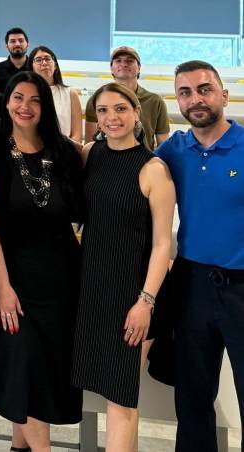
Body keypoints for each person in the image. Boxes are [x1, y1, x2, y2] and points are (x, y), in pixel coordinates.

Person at [0, 71, 84, 452]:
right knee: (25, 368)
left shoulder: (66, 153)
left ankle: (18, 447)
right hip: (12, 278)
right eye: (18, 98)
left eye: (35, 99)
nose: (26, 107)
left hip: (61, 282)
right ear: (6, 102)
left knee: (41, 376)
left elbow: (83, 215)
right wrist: (3, 288)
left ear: (46, 106)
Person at [72, 82, 175, 452]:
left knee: (120, 395)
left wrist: (145, 302)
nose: (111, 117)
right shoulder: (91, 154)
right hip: (97, 288)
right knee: (116, 395)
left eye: (120, 109)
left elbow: (162, 245)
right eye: (102, 110)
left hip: (135, 293)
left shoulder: (154, 169)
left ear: (136, 113)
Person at [154, 60, 244, 452]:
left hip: (242, 287)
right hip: (192, 287)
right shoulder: (173, 150)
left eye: (204, 89)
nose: (196, 99)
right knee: (192, 398)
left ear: (224, 95)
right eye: (185, 92)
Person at [84, 46, 170, 150]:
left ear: (139, 68)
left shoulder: (155, 101)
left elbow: (163, 145)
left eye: (129, 61)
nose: (124, 64)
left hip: (145, 158)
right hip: (105, 158)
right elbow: (90, 144)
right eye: (118, 61)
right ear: (111, 68)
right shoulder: (96, 101)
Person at [27, 46, 82, 143]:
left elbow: (77, 135)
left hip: (64, 149)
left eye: (47, 59)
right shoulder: (27, 94)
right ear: (32, 68)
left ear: (55, 65)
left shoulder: (70, 93)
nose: (44, 63)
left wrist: (65, 149)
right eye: (38, 60)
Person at [0, 27, 28, 93]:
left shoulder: (35, 68)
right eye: (13, 41)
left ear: (27, 44)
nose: (17, 44)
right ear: (6, 45)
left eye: (21, 40)